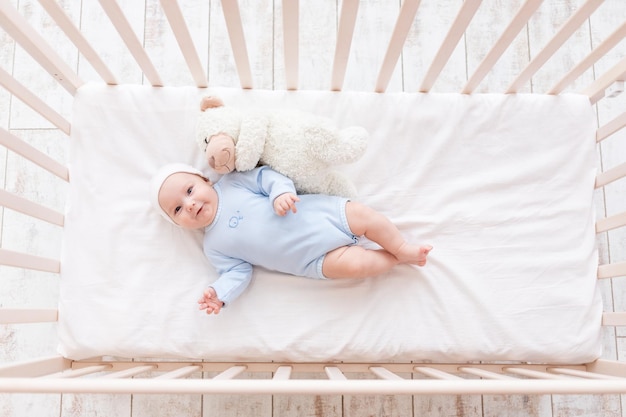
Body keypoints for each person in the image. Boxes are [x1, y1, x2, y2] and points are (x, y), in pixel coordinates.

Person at [151, 163, 432, 315]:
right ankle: (395, 259)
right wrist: (219, 294)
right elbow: (237, 272)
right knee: (359, 267)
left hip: (320, 214)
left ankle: (401, 247)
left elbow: (267, 177)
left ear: (205, 180)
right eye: (177, 209)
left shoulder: (233, 182)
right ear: (178, 223)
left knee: (363, 215)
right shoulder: (214, 246)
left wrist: (280, 193)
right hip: (313, 260)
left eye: (189, 190)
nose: (188, 204)